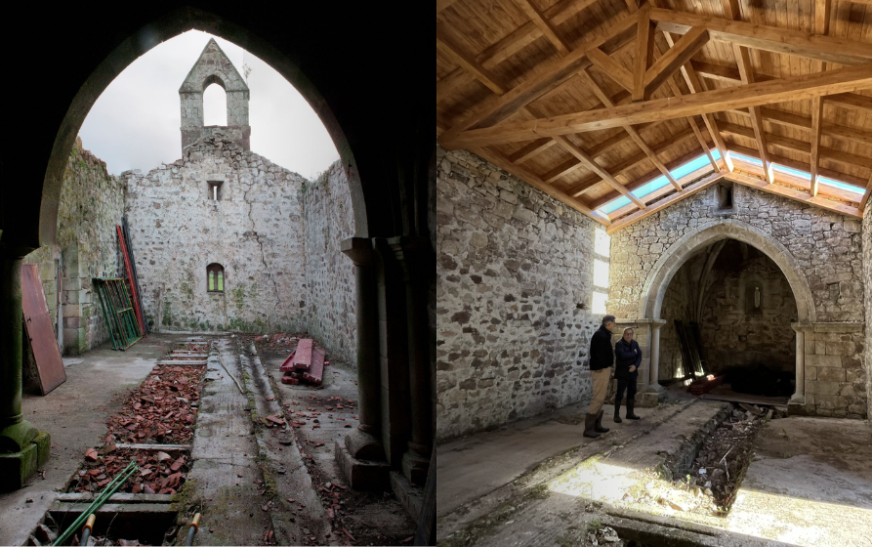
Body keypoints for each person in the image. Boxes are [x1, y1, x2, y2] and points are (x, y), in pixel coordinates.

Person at [584, 315, 615, 438]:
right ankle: (589, 429)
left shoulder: (604, 334)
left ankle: (597, 425)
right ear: (609, 323)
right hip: (600, 369)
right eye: (613, 323)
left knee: (601, 398)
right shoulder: (600, 335)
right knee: (598, 397)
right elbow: (597, 354)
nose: (614, 325)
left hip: (603, 368)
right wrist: (603, 366)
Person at [613, 327, 641, 423]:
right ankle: (616, 415)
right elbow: (623, 356)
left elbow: (639, 356)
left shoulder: (635, 343)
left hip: (633, 372)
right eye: (627, 334)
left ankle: (630, 413)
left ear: (632, 335)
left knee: (632, 392)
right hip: (622, 373)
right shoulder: (619, 344)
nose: (628, 336)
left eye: (630, 334)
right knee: (620, 393)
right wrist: (633, 353)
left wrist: (635, 366)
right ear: (623, 335)